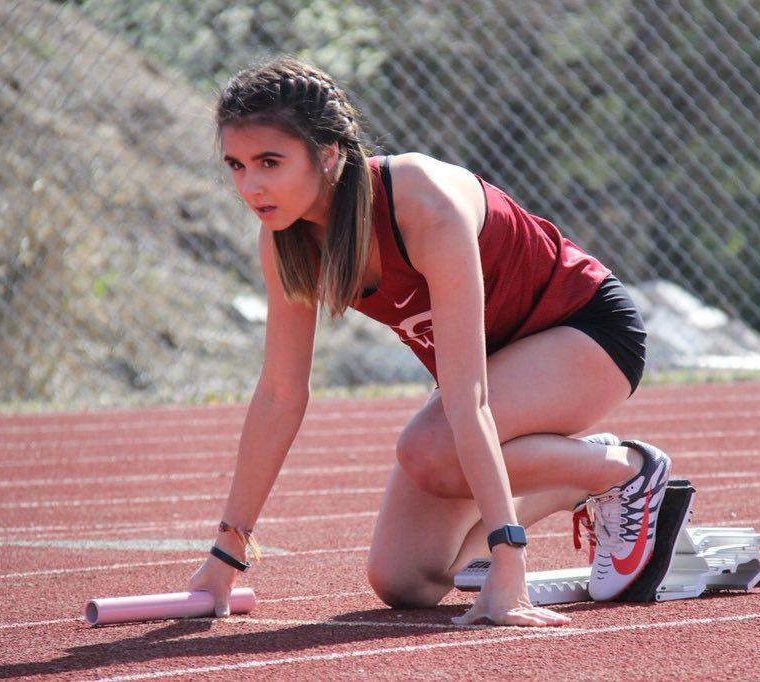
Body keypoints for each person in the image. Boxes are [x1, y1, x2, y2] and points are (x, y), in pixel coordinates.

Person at [187, 56, 672, 627]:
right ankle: (571, 478)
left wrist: (507, 563)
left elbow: (469, 399)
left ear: (327, 153)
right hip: (494, 367)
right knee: (405, 579)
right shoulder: (286, 240)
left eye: (270, 161)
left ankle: (623, 471)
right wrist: (226, 554)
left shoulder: (420, 202)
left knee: (430, 449)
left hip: (585, 333)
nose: (251, 185)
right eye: (237, 165)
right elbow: (279, 395)